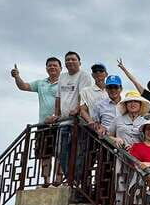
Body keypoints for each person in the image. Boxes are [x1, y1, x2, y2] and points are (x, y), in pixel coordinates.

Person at [11, 57, 61, 186]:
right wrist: (17, 76)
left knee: (61, 154)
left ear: (60, 68)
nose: (52, 67)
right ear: (46, 68)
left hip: (60, 123)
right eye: (49, 66)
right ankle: (46, 181)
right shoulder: (40, 83)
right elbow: (24, 86)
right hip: (43, 125)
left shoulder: (64, 83)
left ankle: (58, 181)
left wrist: (57, 115)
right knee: (44, 154)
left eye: (55, 65)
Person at [47, 51, 92, 184]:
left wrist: (78, 109)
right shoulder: (62, 77)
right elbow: (58, 97)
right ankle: (71, 179)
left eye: (73, 59)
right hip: (63, 121)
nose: (70, 62)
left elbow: (84, 95)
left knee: (77, 153)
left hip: (77, 122)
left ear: (79, 62)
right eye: (67, 60)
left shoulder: (84, 76)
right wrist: (56, 114)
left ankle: (76, 180)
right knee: (61, 152)